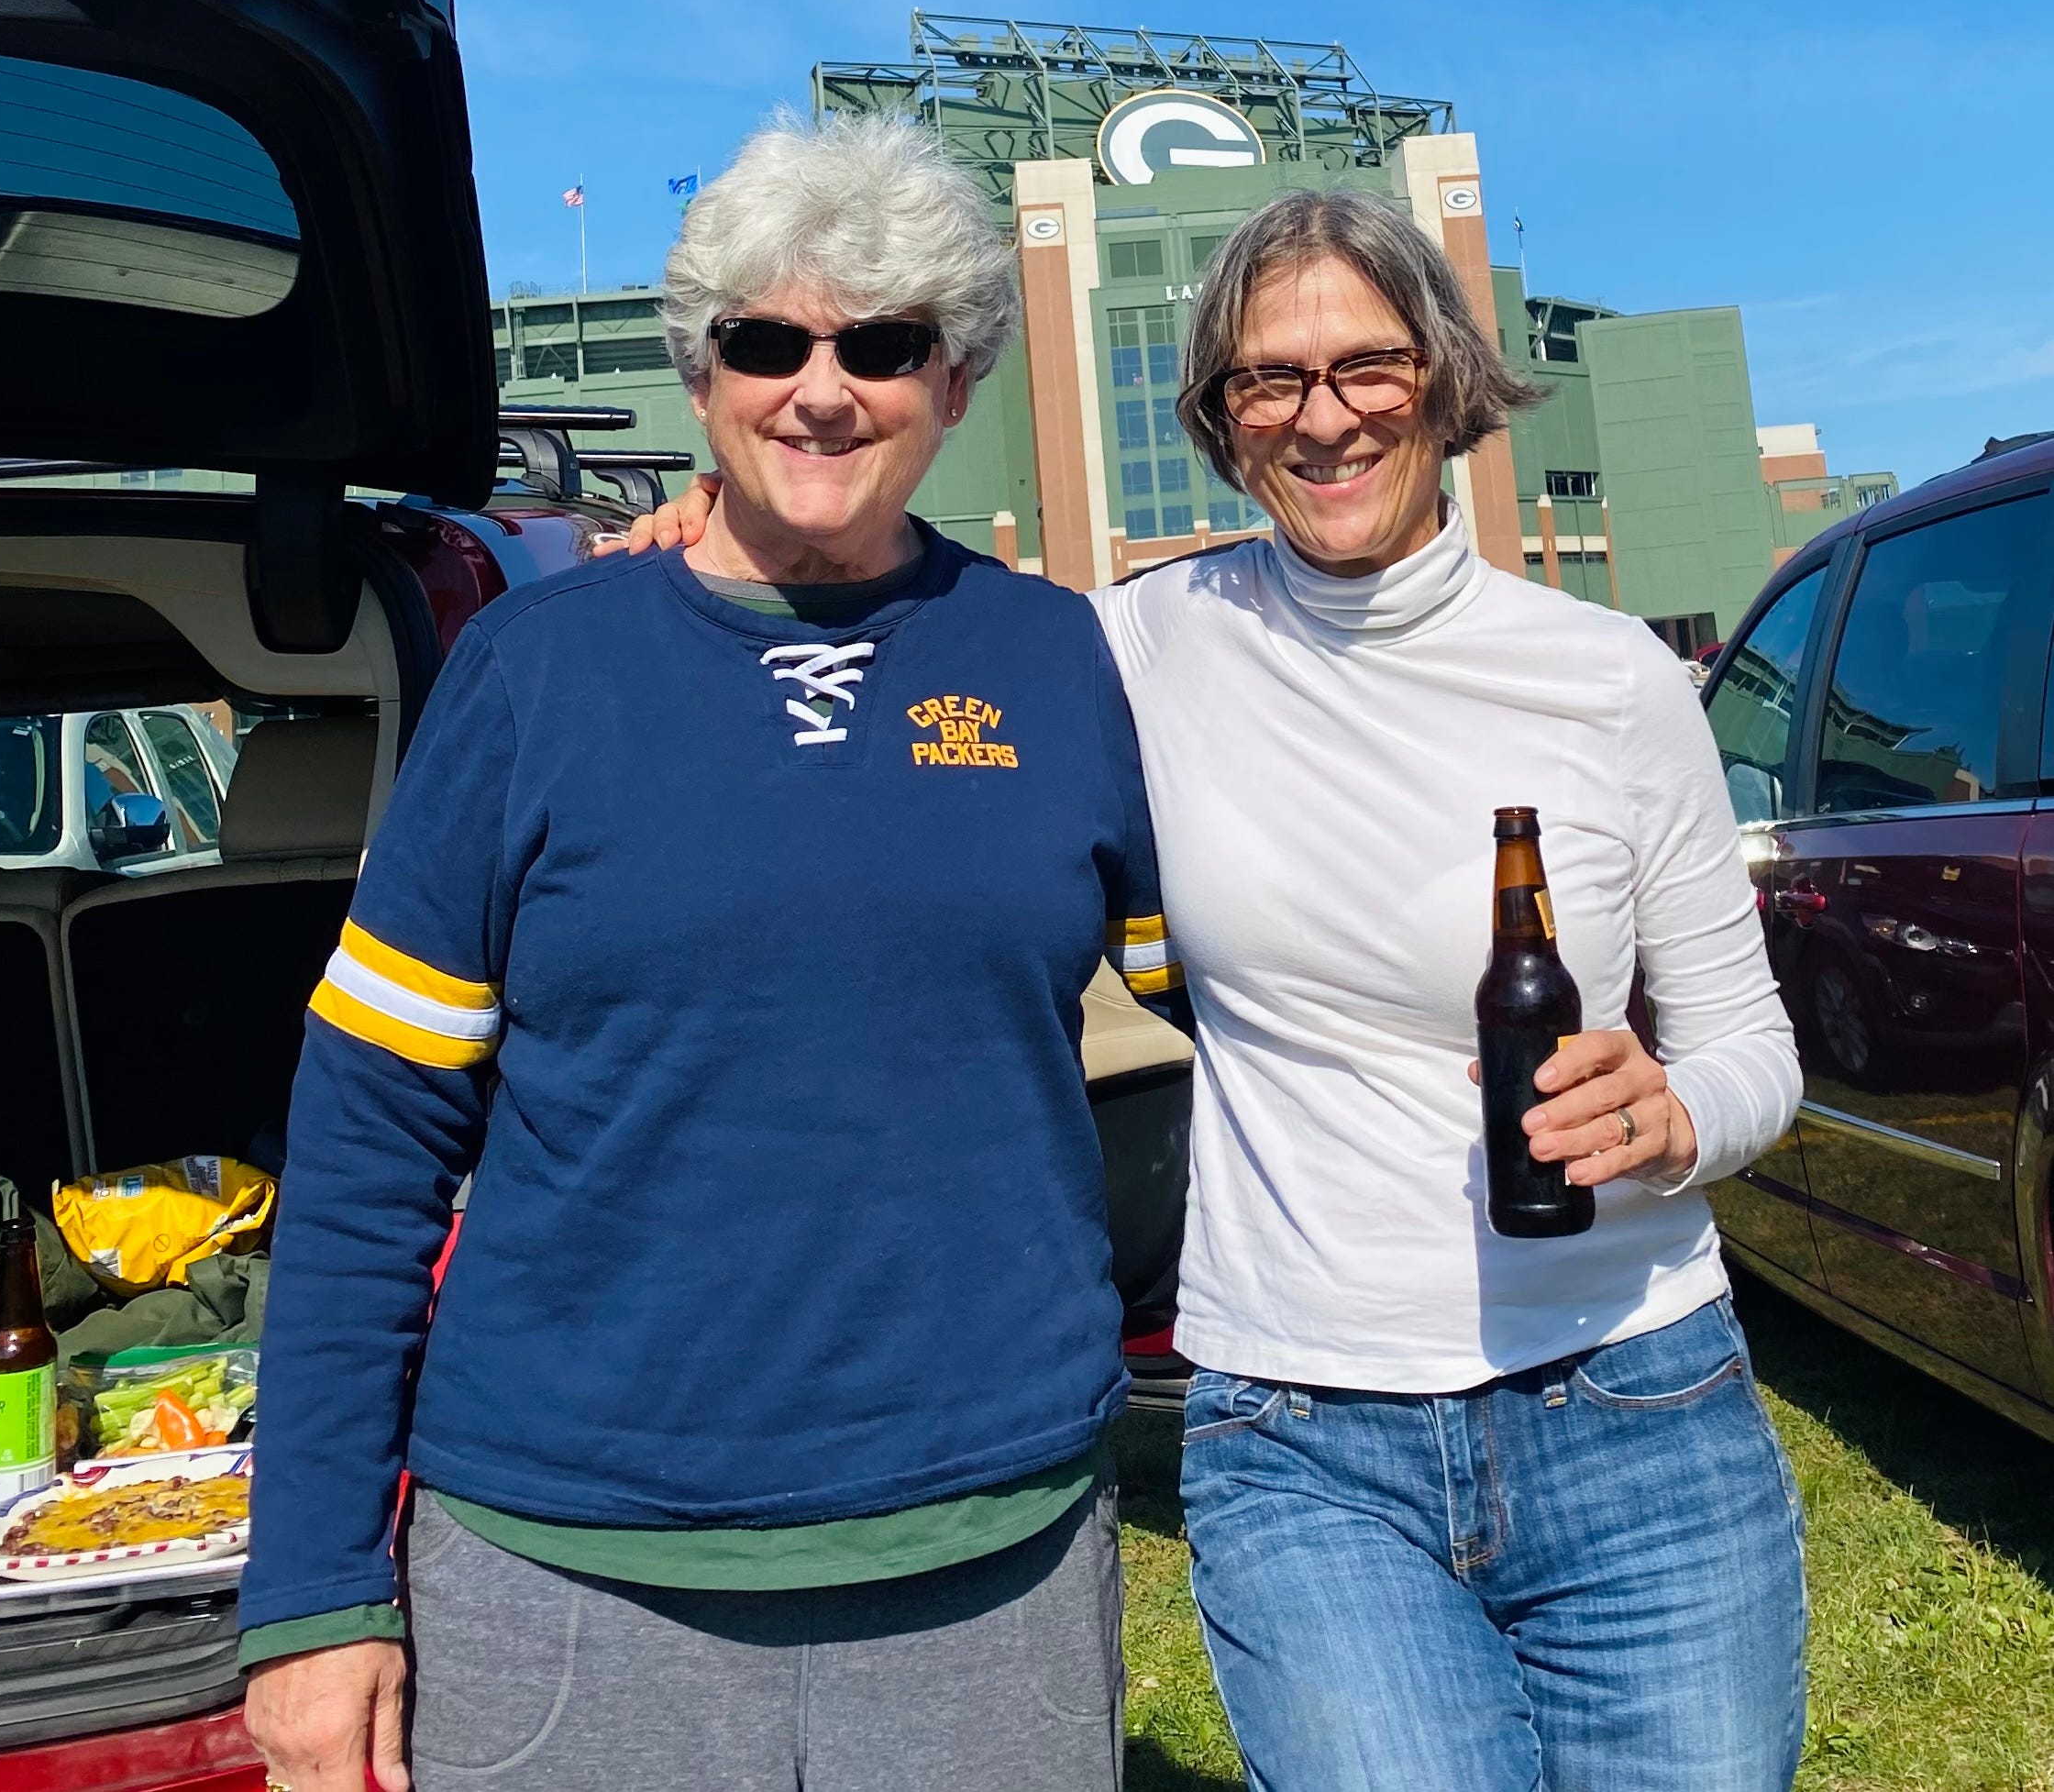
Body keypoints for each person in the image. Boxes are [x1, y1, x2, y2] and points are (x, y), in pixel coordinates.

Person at [641, 183, 1807, 1792]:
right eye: (1270, 379)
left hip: (1640, 1397)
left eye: (1369, 367)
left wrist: (1677, 1115)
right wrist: (701, 541)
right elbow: (884, 628)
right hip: (1309, 1430)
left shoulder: (1608, 678)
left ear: (1448, 378)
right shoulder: (1130, 648)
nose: (1324, 419)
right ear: (1219, 417)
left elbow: (1756, 1046)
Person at [241, 111, 1174, 1792]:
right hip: (573, 1567)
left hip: (990, 1558)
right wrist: (312, 1590)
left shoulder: (1057, 662)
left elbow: (1250, 999)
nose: (822, 388)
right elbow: (373, 1135)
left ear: (955, 382)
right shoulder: (534, 672)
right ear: (702, 372)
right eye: (768, 339)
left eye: (883, 344)